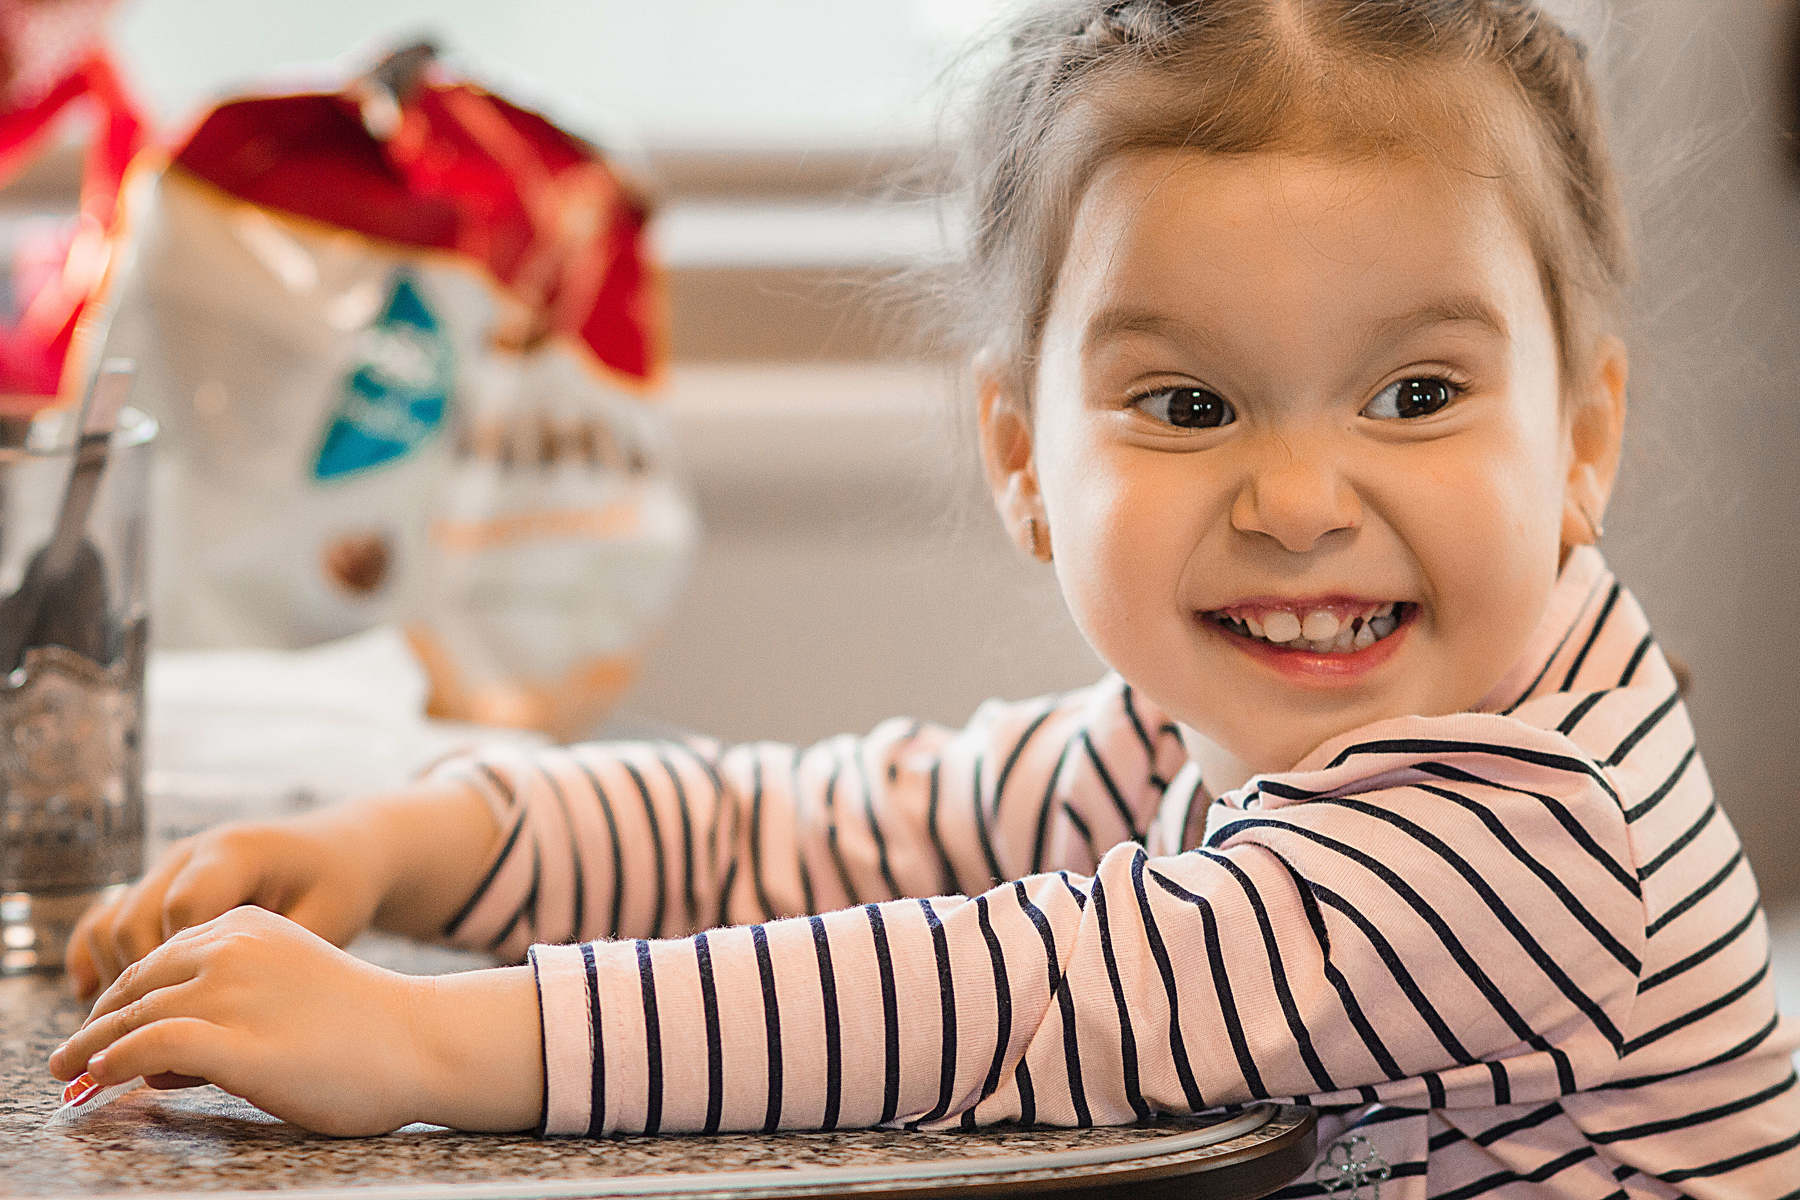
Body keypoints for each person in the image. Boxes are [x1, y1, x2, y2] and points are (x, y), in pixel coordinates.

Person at [48, 0, 1800, 1192]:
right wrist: (423, 838)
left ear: (1582, 439)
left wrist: (423, 1038)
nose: (1296, 504)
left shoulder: (1537, 839)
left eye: (1415, 396)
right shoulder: (1213, 733)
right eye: (1189, 406)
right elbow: (812, 837)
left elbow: (976, 994)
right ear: (1021, 459)